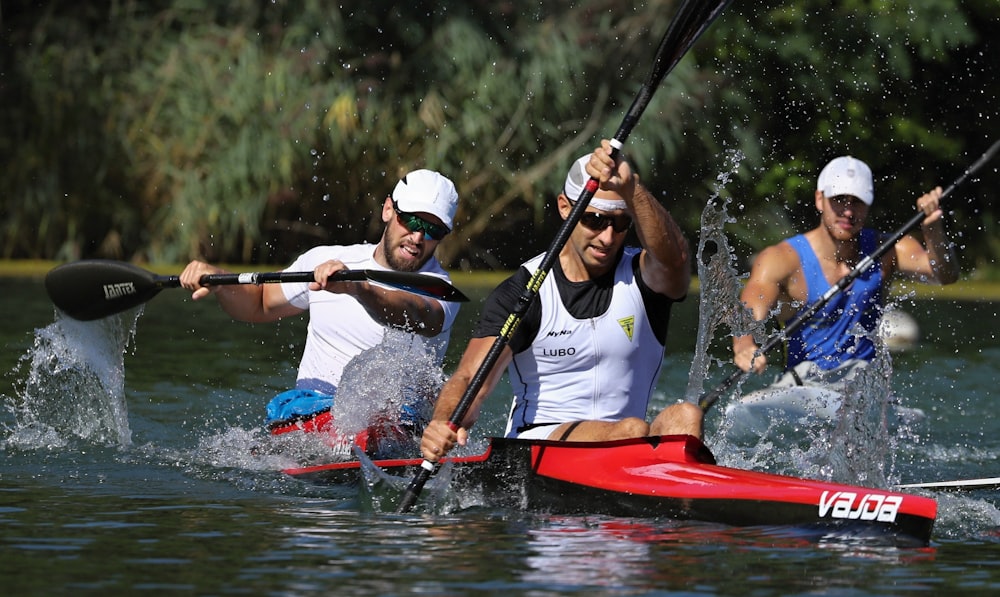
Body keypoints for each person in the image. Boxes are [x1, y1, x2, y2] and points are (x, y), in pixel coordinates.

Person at [419, 140, 702, 463]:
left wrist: (631, 187)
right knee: (632, 430)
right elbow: (470, 378)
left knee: (686, 417)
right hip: (538, 445)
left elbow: (677, 260)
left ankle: (686, 506)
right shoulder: (524, 291)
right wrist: (443, 424)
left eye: (620, 223)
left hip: (627, 442)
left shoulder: (644, 278)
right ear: (566, 208)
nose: (607, 238)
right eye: (595, 220)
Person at [180, 169, 463, 441]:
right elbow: (260, 304)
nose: (417, 238)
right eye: (412, 221)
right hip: (312, 412)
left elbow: (420, 315)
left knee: (387, 419)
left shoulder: (439, 289)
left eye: (432, 231)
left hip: (395, 424)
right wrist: (221, 281)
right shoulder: (325, 259)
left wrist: (358, 289)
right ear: (388, 209)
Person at [731, 155, 960, 385]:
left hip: (862, 387)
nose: (848, 212)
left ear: (868, 205)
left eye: (857, 201)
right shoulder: (781, 259)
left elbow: (944, 275)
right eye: (839, 199)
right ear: (820, 199)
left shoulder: (888, 250)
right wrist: (744, 345)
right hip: (801, 386)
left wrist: (932, 228)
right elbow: (749, 309)